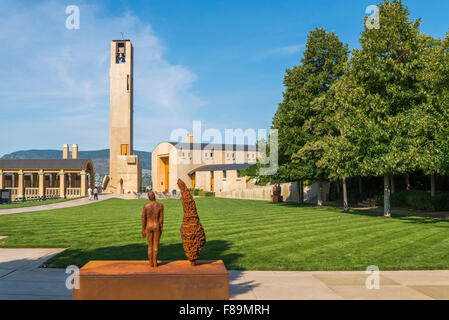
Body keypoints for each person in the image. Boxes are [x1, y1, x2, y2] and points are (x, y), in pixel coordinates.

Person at [141, 191, 164, 267]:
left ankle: (151, 263)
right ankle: (155, 262)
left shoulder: (146, 206)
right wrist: (161, 228)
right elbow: (161, 219)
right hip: (156, 226)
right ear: (154, 196)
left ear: (148, 197)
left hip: (148, 226)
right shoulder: (160, 206)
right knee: (156, 245)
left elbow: (143, 218)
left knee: (150, 246)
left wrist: (143, 229)